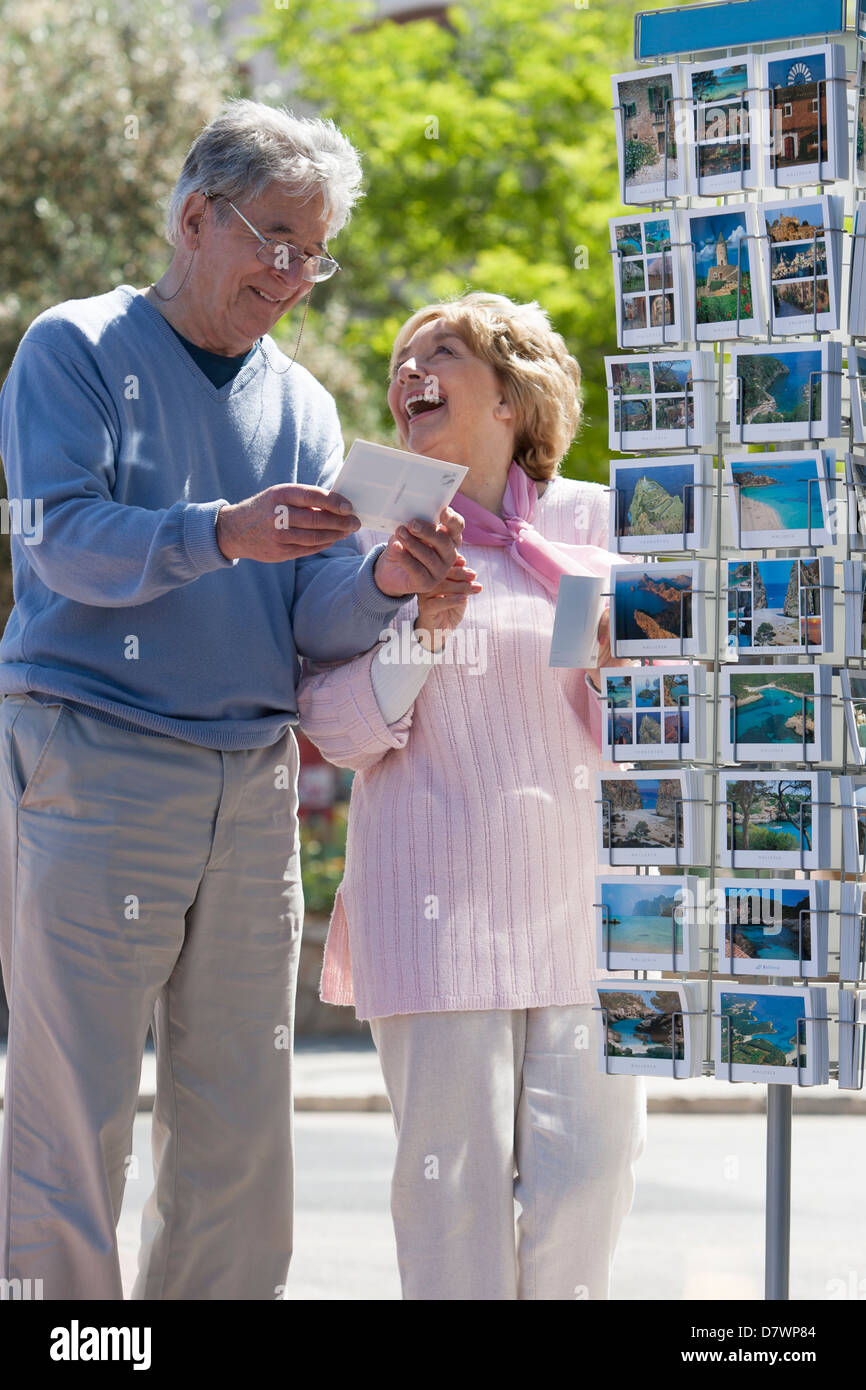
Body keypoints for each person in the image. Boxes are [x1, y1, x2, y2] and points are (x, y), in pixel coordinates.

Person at [0, 100, 471, 1301]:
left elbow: (305, 615)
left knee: (241, 1132)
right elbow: (61, 542)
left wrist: (380, 578)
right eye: (274, 239)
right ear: (193, 216)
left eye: (312, 253)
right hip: (94, 757)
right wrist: (219, 531)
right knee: (76, 1113)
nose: (292, 274)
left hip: (250, 781)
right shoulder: (75, 347)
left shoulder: (305, 406)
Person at [296, 291, 647, 1301]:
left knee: (588, 1183)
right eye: (402, 354)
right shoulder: (366, 527)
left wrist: (620, 669)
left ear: (510, 397)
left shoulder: (598, 521)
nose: (411, 368)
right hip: (432, 910)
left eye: (441, 350)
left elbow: (640, 745)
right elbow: (336, 726)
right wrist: (422, 628)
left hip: (583, 913)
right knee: (452, 1207)